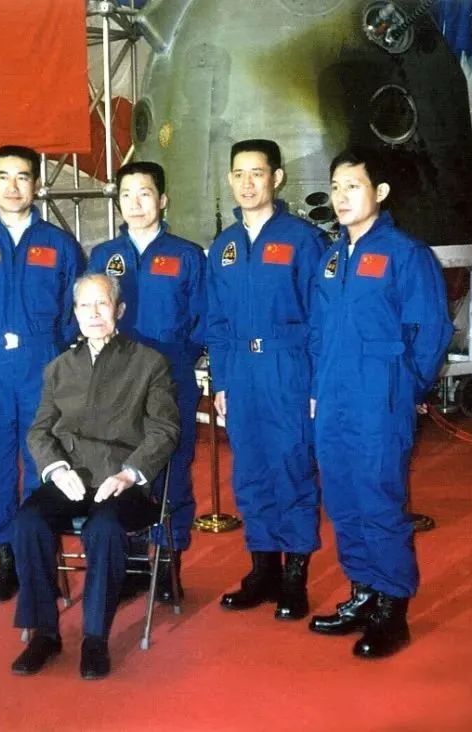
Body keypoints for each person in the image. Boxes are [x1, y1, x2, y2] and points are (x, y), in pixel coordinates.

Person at [308, 147, 453, 658]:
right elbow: (318, 333)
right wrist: (316, 392)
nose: (341, 196)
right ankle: (363, 593)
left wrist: (404, 388)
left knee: (378, 499)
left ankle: (392, 610)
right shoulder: (330, 259)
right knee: (342, 499)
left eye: (353, 186)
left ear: (381, 192)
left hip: (380, 398)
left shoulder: (406, 254)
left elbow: (432, 330)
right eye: (336, 187)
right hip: (333, 397)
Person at [10, 273, 180, 680]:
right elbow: (39, 431)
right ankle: (44, 633)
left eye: (102, 303)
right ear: (74, 313)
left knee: (103, 529)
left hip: (122, 484)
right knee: (27, 522)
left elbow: (164, 430)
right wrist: (56, 468)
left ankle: (95, 638)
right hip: (71, 478)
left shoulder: (149, 363)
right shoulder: (58, 368)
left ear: (119, 310)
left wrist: (130, 474)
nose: (94, 313)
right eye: (85, 305)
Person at [0, 145, 85, 604]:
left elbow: (73, 308)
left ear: (37, 185)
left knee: (44, 461)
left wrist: (48, 346)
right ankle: (4, 558)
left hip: (42, 362)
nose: (12, 186)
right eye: (3, 176)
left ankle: (35, 556)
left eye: (22, 177)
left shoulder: (59, 244)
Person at [206, 139, 328, 620]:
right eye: (239, 174)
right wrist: (220, 381)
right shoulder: (224, 246)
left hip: (287, 366)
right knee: (250, 471)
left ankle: (295, 577)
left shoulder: (303, 240)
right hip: (240, 370)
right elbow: (216, 320)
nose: (248, 183)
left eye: (257, 173)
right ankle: (263, 570)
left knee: (291, 467)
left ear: (277, 178)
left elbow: (320, 317)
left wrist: (315, 385)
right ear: (230, 180)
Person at [86, 161, 206, 602]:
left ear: (163, 200)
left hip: (170, 378)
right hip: (116, 383)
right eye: (126, 195)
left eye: (145, 193)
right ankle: (133, 562)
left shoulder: (187, 255)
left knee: (172, 468)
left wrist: (175, 361)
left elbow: (202, 319)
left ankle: (169, 560)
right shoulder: (104, 256)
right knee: (118, 465)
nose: (135, 203)